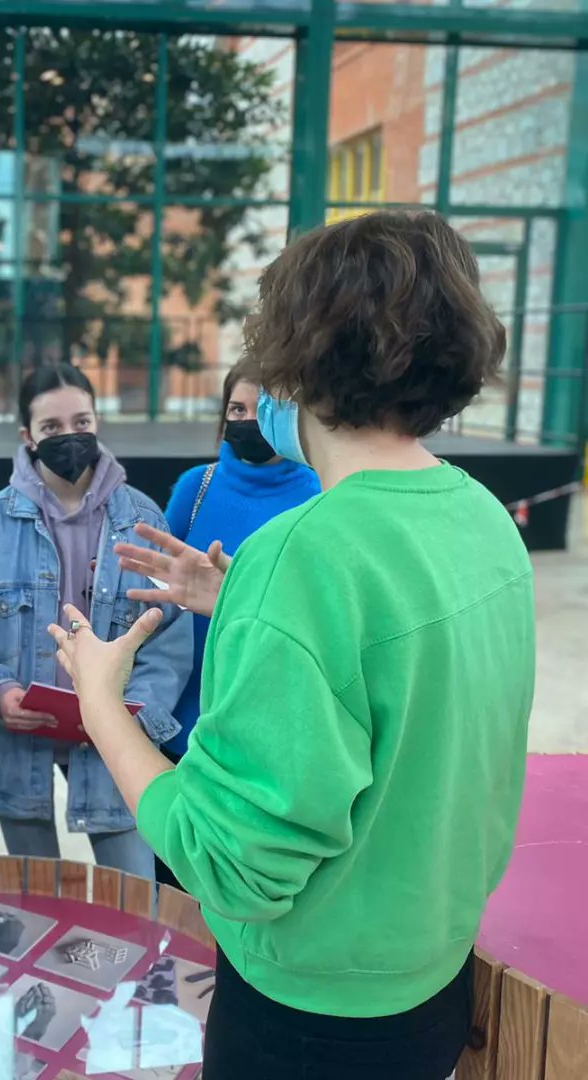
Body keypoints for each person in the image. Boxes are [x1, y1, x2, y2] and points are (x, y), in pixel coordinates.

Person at [49, 212, 534, 1079]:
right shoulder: (482, 517)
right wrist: (241, 596)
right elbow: (402, 661)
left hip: (312, 1018)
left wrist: (99, 702)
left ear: (295, 357)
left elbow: (231, 867)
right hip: (431, 983)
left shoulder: (302, 556)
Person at [0, 364, 192, 878]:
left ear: (97, 422)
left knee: (131, 896)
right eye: (51, 427)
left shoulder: (143, 522)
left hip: (116, 742)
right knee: (37, 898)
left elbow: (169, 638)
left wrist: (136, 714)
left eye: (81, 422)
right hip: (16, 742)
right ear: (27, 436)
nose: (69, 437)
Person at [156, 368, 319, 886]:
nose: (247, 421)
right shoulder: (196, 487)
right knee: (176, 881)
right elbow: (163, 579)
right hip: (184, 716)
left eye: (262, 409)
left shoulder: (320, 495)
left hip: (265, 730)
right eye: (236, 409)